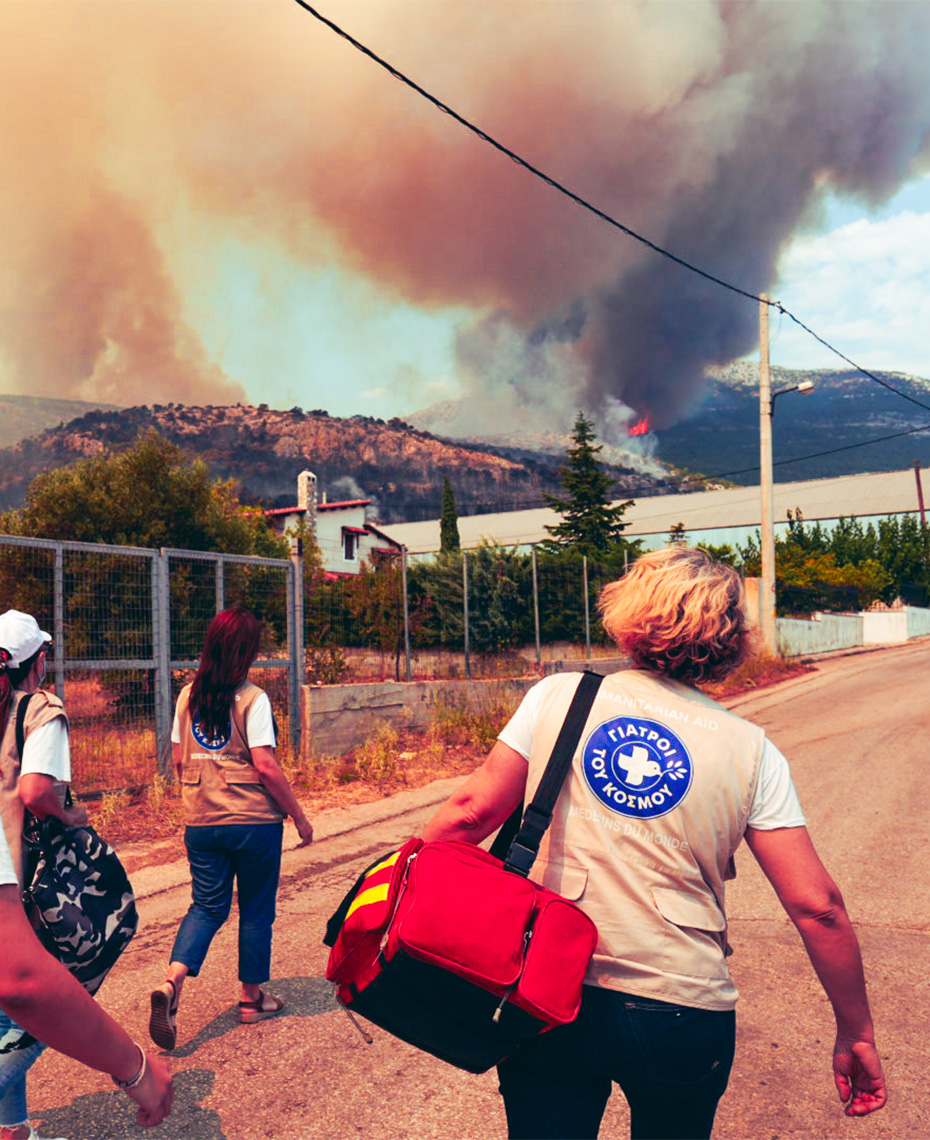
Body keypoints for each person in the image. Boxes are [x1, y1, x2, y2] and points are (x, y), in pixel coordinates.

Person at [420, 547, 886, 1140]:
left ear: (628, 615)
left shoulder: (559, 697)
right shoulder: (751, 749)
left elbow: (467, 815)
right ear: (732, 638)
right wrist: (856, 1031)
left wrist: (390, 910)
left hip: (547, 986)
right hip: (682, 1006)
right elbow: (817, 905)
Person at [0, 609, 173, 1138]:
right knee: (30, 1007)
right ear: (40, 662)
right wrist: (71, 814)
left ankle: (14, 1127)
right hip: (24, 883)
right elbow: (34, 791)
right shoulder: (39, 708)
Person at [149, 606, 314, 1052]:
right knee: (257, 910)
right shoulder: (253, 699)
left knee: (206, 907)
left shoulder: (187, 697)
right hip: (253, 823)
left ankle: (172, 980)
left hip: (201, 821)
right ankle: (251, 999)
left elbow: (180, 760)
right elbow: (265, 765)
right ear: (246, 653)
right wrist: (298, 816)